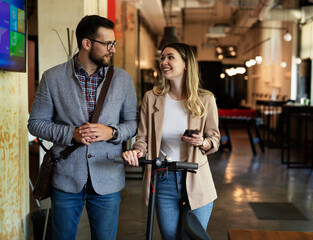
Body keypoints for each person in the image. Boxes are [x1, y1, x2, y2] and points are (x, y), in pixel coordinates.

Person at [28, 15, 137, 240]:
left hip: (108, 178)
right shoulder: (52, 78)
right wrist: (71, 134)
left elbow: (133, 123)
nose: (113, 49)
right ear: (86, 44)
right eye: (108, 44)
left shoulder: (123, 80)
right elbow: (36, 123)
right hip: (66, 178)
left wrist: (113, 132)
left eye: (113, 44)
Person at [122, 42, 220, 239]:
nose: (164, 62)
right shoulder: (152, 98)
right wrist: (137, 151)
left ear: (186, 64)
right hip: (164, 179)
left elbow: (214, 140)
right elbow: (142, 138)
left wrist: (203, 142)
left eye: (170, 57)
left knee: (191, 237)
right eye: (162, 58)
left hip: (196, 179)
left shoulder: (206, 100)